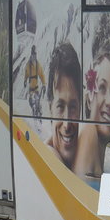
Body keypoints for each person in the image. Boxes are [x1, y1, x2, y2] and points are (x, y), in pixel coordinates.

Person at [45, 42, 81, 170]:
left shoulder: (85, 154)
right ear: (50, 109)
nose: (66, 125)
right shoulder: (45, 159)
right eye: (60, 107)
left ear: (80, 109)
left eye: (72, 107)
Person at [24, 43, 44, 117]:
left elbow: (42, 75)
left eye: (35, 55)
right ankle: (34, 111)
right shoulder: (28, 65)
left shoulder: (38, 65)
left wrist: (44, 84)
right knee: (31, 102)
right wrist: (25, 81)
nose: (34, 56)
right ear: (31, 55)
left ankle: (39, 113)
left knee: (37, 102)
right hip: (30, 88)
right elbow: (26, 73)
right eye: (33, 55)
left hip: (36, 88)